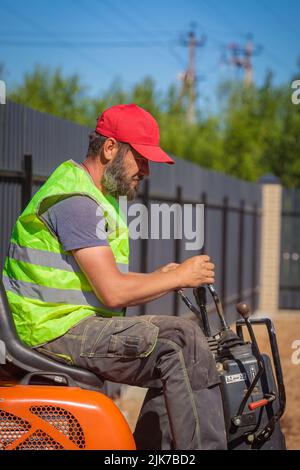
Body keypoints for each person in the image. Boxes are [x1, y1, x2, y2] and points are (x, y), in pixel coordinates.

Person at [2, 103, 227, 450]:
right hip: (52, 331)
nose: (147, 171)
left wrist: (160, 276)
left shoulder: (89, 194)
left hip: (62, 324)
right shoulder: (76, 202)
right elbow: (112, 292)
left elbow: (98, 281)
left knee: (177, 349)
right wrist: (178, 276)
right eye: (141, 159)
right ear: (110, 148)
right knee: (182, 342)